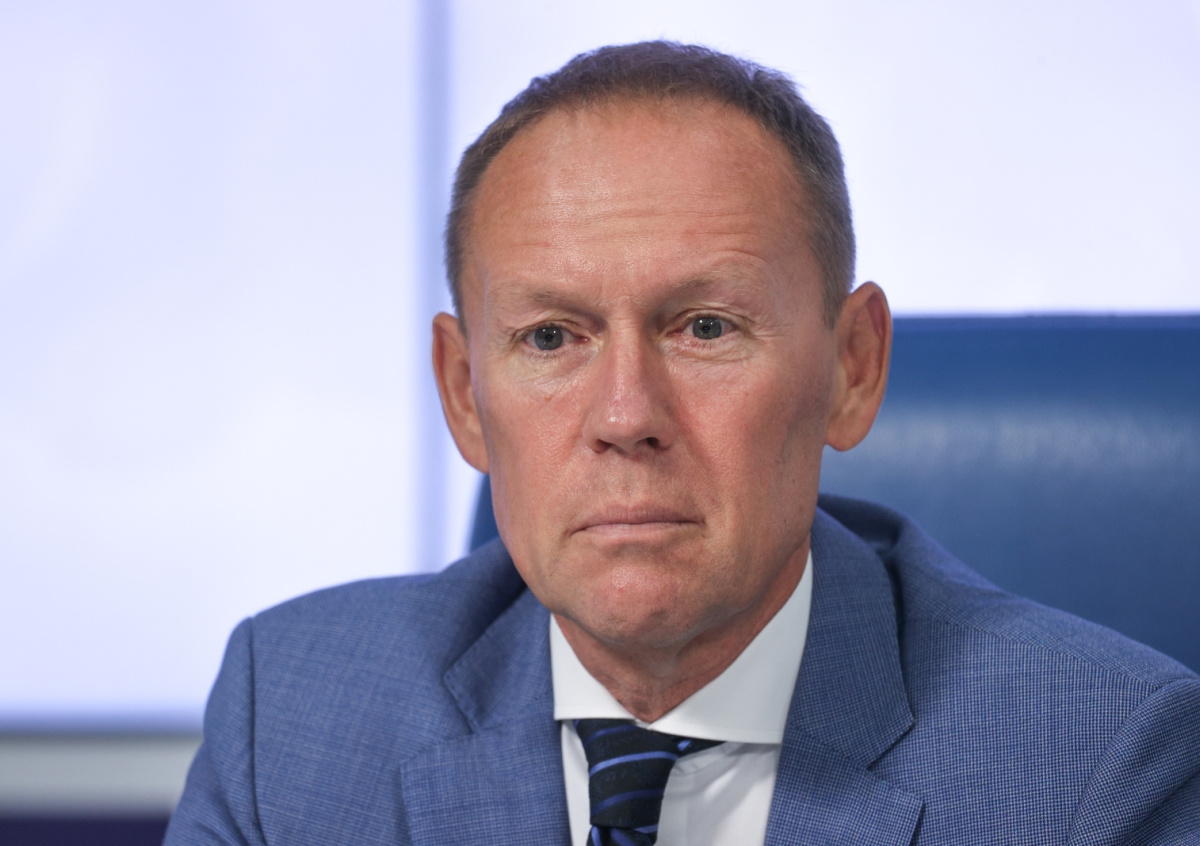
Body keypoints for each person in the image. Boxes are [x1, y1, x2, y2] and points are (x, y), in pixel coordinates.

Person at [165, 42, 1200, 845]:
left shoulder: (1100, 768)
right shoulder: (288, 724)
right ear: (465, 395)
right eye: (551, 338)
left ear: (852, 368)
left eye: (705, 327)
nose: (625, 416)